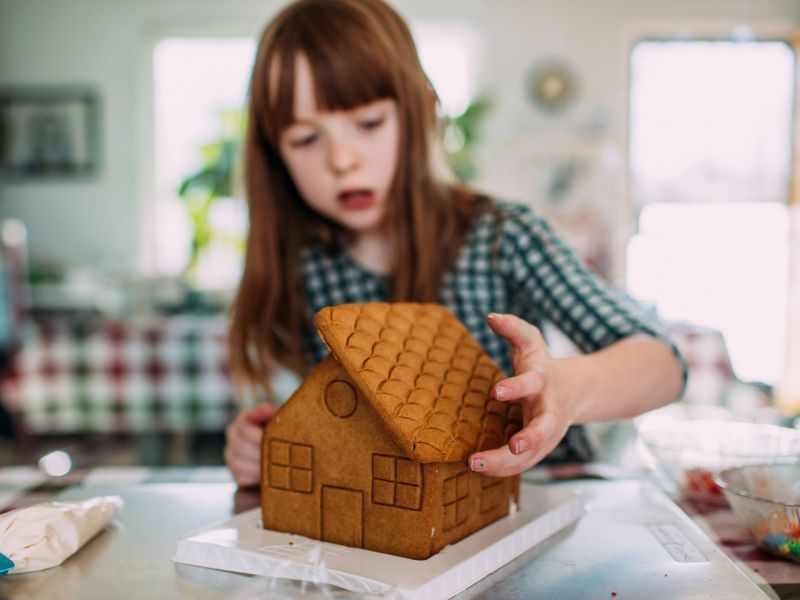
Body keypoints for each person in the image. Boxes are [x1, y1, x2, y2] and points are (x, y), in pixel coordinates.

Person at [224, 0, 685, 487]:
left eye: (369, 123)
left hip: (535, 500)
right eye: (304, 139)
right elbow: (334, 433)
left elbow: (663, 364)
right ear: (275, 157)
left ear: (421, 111)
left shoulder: (502, 236)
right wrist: (266, 449)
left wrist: (567, 389)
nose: (342, 159)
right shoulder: (303, 270)